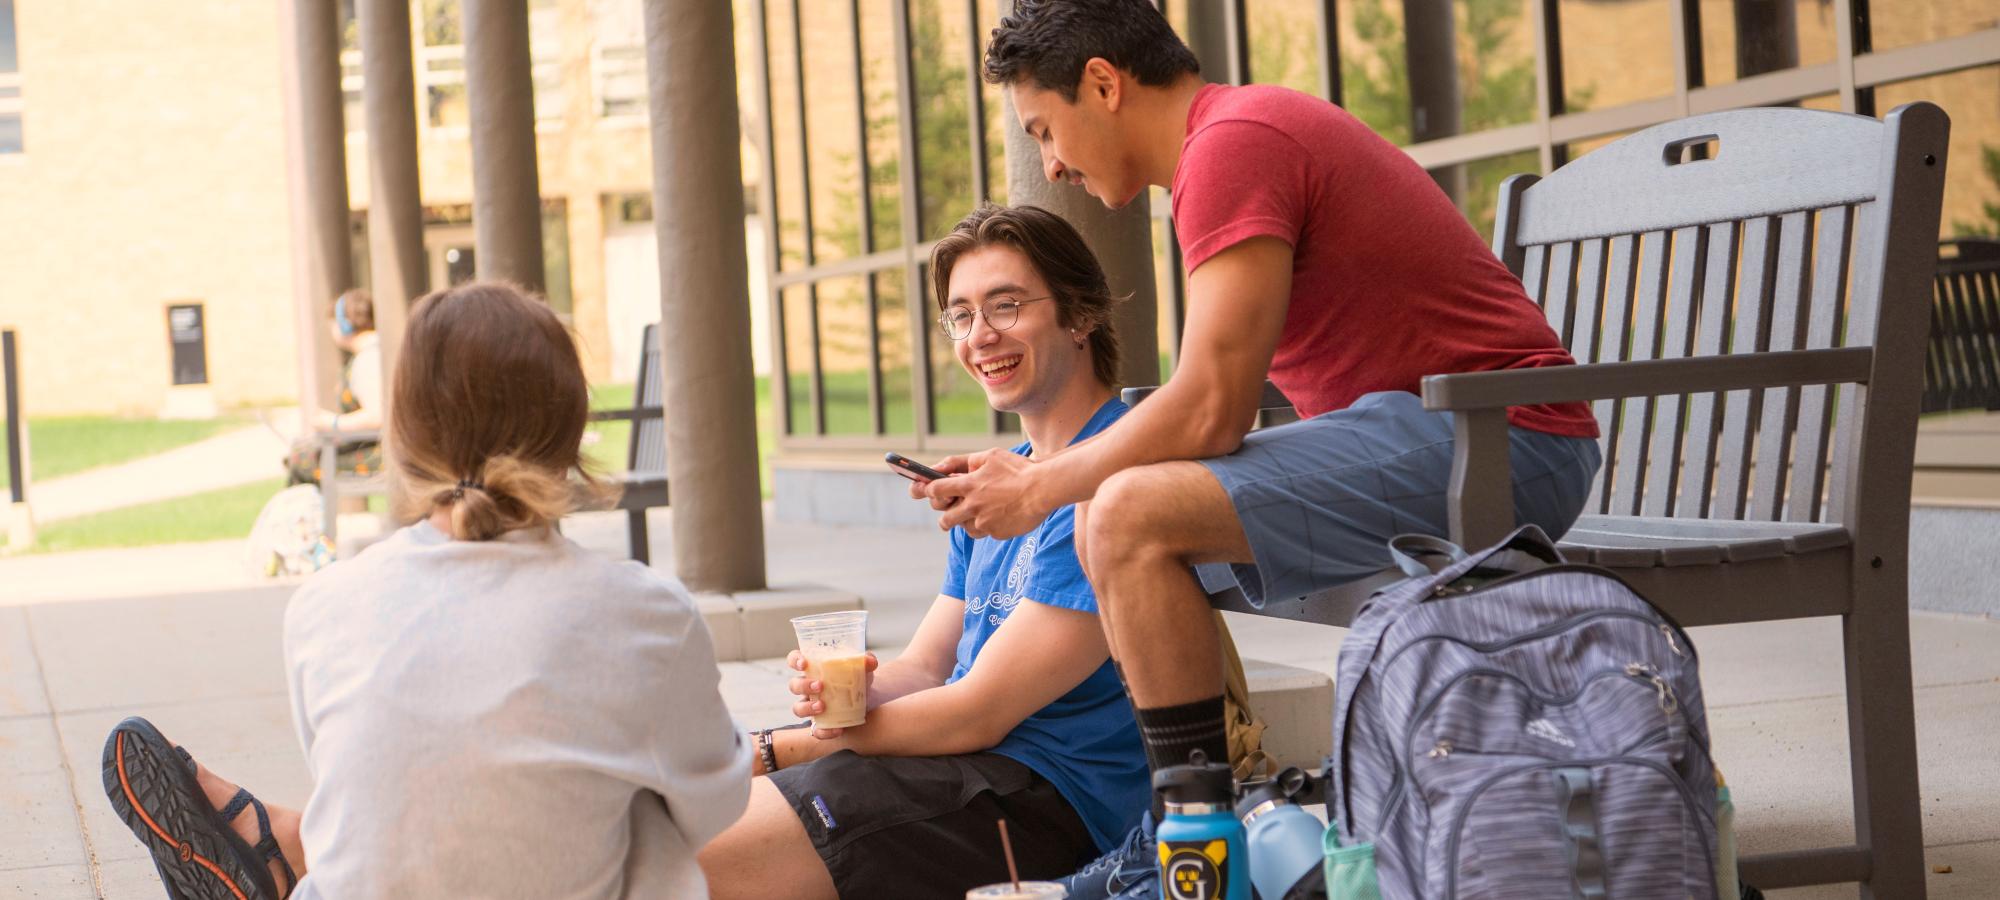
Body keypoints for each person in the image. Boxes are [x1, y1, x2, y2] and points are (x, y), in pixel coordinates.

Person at [924, 2, 1603, 895]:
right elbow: (1209, 398)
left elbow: (1210, 410)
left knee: (1124, 511)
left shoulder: (1232, 146)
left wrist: (1043, 482)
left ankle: (1194, 844)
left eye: (1046, 129)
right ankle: (1188, 829)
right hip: (1428, 435)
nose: (1050, 161)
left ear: (1103, 83)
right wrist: (1053, 479)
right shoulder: (1227, 145)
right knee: (1113, 517)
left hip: (1503, 443)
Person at [102, 282, 750, 899]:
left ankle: (289, 852)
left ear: (405, 435)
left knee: (407, 803)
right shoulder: (646, 614)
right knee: (649, 810)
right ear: (571, 428)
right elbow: (714, 807)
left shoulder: (323, 606)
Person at [697, 204, 1149, 899]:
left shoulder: (1104, 484)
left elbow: (978, 709)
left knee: (705, 855)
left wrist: (770, 748)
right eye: (961, 315)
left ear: (1080, 315)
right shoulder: (996, 484)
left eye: (1006, 305)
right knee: (690, 835)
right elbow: (928, 668)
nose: (981, 335)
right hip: (965, 769)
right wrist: (853, 694)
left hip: (1055, 803)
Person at [283, 288, 384, 486]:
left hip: (380, 454)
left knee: (302, 461)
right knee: (303, 452)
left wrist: (334, 423)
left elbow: (377, 416)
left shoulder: (368, 359)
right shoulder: (373, 353)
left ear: (344, 325)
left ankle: (305, 517)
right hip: (379, 448)